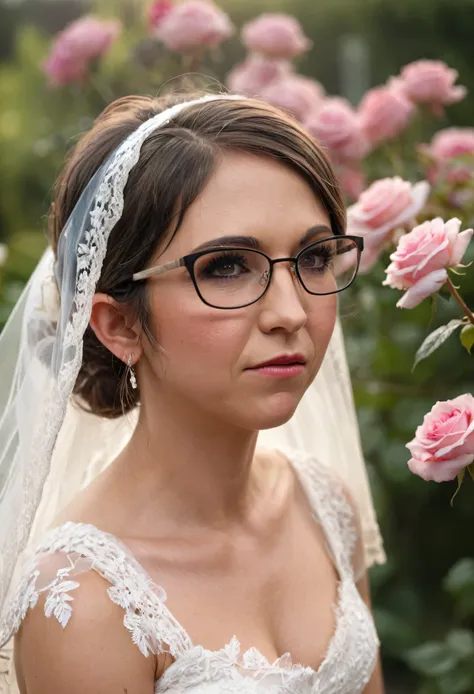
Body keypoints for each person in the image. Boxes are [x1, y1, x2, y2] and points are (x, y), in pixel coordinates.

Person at [0, 92, 384, 693]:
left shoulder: (324, 505)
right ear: (121, 325)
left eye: (312, 257)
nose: (290, 312)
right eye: (227, 266)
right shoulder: (86, 602)